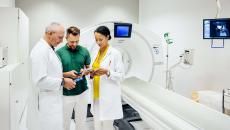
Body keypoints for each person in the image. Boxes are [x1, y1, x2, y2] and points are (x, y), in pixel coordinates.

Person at [30, 22, 76, 130]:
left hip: (52, 100)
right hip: (46, 103)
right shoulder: (40, 51)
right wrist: (63, 81)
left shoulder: (49, 48)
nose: (61, 41)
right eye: (60, 37)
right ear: (49, 33)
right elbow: (39, 80)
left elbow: (51, 72)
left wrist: (66, 75)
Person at [90, 26, 124, 130]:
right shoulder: (95, 52)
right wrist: (90, 73)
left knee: (107, 126)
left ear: (107, 37)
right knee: (97, 125)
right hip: (96, 94)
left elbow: (121, 75)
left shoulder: (115, 53)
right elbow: (93, 69)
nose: (98, 42)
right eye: (96, 40)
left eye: (101, 39)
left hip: (108, 96)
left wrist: (107, 72)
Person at [56, 26, 91, 130]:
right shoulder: (59, 53)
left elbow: (89, 69)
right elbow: (55, 74)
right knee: (64, 122)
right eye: (72, 42)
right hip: (66, 93)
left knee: (81, 122)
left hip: (82, 92)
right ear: (66, 37)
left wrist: (85, 72)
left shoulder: (84, 51)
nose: (74, 44)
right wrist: (68, 74)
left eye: (77, 41)